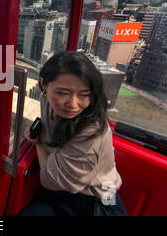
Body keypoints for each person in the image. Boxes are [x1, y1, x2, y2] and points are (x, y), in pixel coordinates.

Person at [19, 51, 128, 216]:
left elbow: (50, 179)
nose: (73, 104)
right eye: (63, 93)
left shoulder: (92, 131)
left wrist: (39, 142)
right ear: (43, 85)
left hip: (99, 201)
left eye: (84, 95)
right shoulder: (46, 100)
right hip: (67, 189)